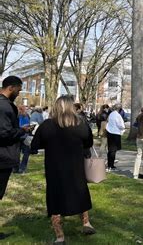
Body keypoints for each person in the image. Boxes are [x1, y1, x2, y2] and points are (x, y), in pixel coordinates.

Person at [31, 95, 95, 244]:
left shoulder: (47, 125)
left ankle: (60, 236)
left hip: (55, 169)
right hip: (76, 168)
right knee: (81, 193)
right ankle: (86, 223)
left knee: (55, 199)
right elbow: (89, 143)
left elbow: (35, 145)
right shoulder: (81, 125)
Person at [0, 76, 29, 240]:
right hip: (2, 156)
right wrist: (22, 131)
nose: (19, 93)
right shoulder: (4, 107)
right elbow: (3, 134)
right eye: (18, 89)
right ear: (11, 87)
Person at [105, 104, 125, 171]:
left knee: (110, 149)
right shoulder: (117, 115)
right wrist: (122, 128)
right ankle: (111, 165)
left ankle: (109, 164)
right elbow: (120, 125)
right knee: (113, 150)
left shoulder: (111, 114)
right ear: (119, 109)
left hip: (109, 132)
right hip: (115, 133)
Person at [14, 105, 31, 174]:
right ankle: (22, 168)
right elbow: (27, 125)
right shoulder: (26, 116)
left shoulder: (16, 116)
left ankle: (16, 168)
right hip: (24, 136)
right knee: (26, 153)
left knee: (17, 153)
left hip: (18, 136)